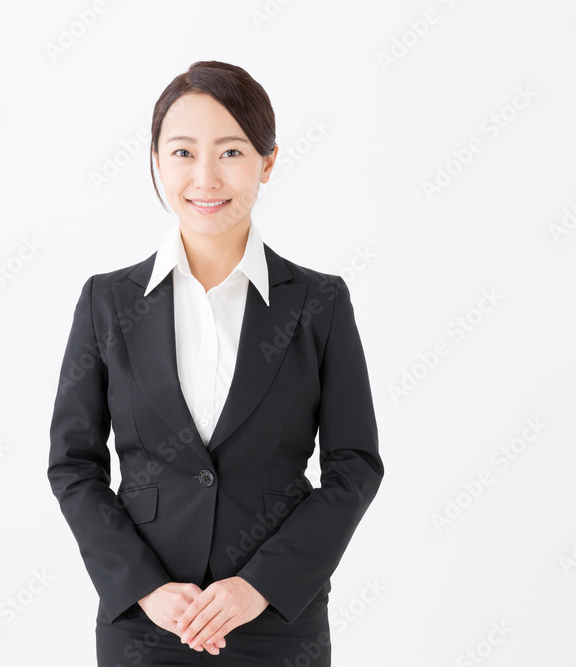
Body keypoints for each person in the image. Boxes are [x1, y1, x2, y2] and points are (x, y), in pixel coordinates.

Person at [48, 60, 384, 665]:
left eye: (230, 152)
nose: (205, 177)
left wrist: (262, 586)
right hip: (146, 626)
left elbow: (354, 466)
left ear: (269, 161)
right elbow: (73, 465)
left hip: (278, 622)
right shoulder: (107, 302)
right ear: (155, 159)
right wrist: (144, 587)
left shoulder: (319, 302)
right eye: (182, 152)